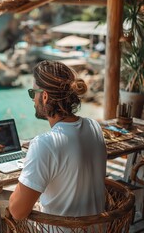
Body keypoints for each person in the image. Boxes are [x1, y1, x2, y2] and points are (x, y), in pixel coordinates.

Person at [9, 60, 107, 220]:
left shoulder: (44, 144)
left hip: (60, 230)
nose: (33, 100)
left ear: (45, 96)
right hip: (99, 227)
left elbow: (17, 212)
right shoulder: (94, 127)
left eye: (33, 93)